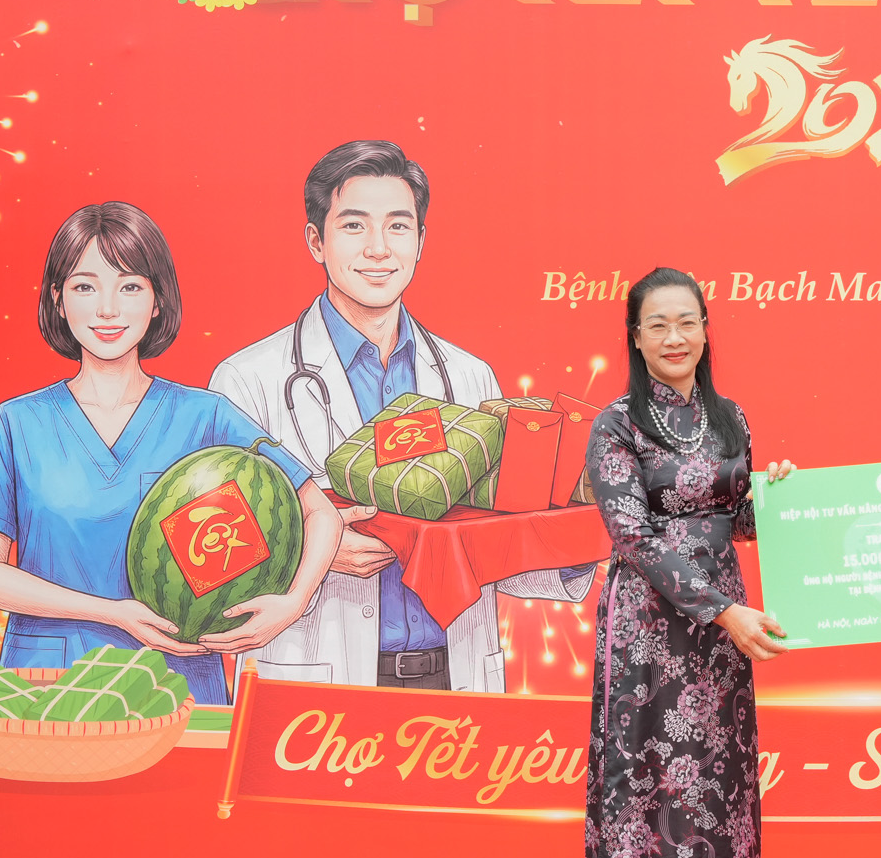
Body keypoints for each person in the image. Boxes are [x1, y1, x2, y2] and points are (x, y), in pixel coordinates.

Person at [209, 140, 594, 693]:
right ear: (316, 241)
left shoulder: (471, 378)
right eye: (353, 226)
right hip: (317, 677)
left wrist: (582, 536)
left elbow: (496, 543)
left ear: (421, 242)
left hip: (456, 672)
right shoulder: (248, 381)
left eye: (397, 226)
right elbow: (217, 550)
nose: (378, 249)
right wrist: (312, 553)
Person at [0, 203, 344, 706]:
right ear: (58, 300)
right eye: (85, 287)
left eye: (130, 287)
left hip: (178, 684)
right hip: (47, 683)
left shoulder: (207, 417)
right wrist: (111, 613)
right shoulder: (15, 424)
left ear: (158, 301)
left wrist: (293, 602)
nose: (107, 309)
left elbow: (321, 513)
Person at [577, 267, 794, 858]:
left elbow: (738, 520)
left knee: (714, 802)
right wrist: (723, 609)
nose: (675, 337)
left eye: (687, 322)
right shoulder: (616, 424)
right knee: (647, 799)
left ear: (706, 328)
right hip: (649, 635)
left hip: (721, 639)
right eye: (658, 324)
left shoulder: (729, 417)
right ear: (635, 336)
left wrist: (778, 498)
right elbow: (633, 535)